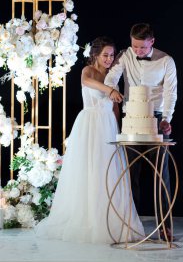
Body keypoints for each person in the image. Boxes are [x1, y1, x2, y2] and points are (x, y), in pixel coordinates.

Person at [35, 36, 145, 243]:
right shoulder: (88, 72)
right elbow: (88, 82)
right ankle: (86, 218)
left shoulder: (113, 75)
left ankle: (110, 217)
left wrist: (119, 128)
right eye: (105, 55)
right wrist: (109, 89)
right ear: (95, 54)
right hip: (89, 124)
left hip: (108, 125)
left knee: (108, 170)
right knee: (88, 169)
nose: (109, 59)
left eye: (112, 55)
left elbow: (114, 105)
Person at [104, 23, 177, 240]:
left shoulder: (166, 61)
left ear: (152, 42)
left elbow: (171, 92)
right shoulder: (126, 56)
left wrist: (166, 119)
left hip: (156, 118)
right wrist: (112, 91)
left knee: (161, 175)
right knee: (130, 175)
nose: (138, 51)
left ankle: (165, 225)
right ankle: (131, 225)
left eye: (142, 48)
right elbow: (111, 78)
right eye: (135, 47)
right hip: (132, 119)